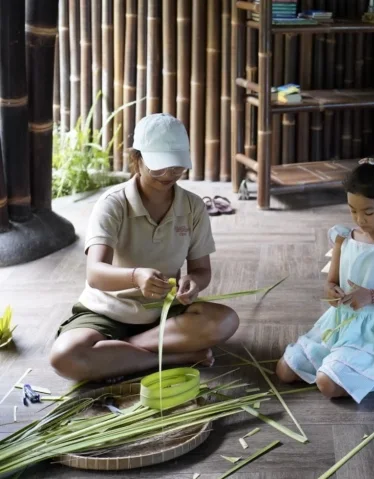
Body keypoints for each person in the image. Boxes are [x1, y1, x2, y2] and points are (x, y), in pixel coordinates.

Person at [49, 113, 239, 382]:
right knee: (64, 358)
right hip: (107, 309)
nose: (168, 175)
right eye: (158, 167)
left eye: (176, 168)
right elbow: (95, 274)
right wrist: (135, 276)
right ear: (136, 159)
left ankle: (123, 351)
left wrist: (193, 282)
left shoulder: (193, 207)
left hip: (163, 313)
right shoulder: (112, 204)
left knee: (226, 320)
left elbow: (201, 270)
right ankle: (174, 357)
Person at [276, 154, 374, 402]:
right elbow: (331, 282)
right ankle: (338, 366)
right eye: (352, 210)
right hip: (339, 325)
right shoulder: (343, 238)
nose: (359, 219)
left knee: (326, 384)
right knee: (284, 370)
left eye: (368, 212)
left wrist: (371, 296)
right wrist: (331, 292)